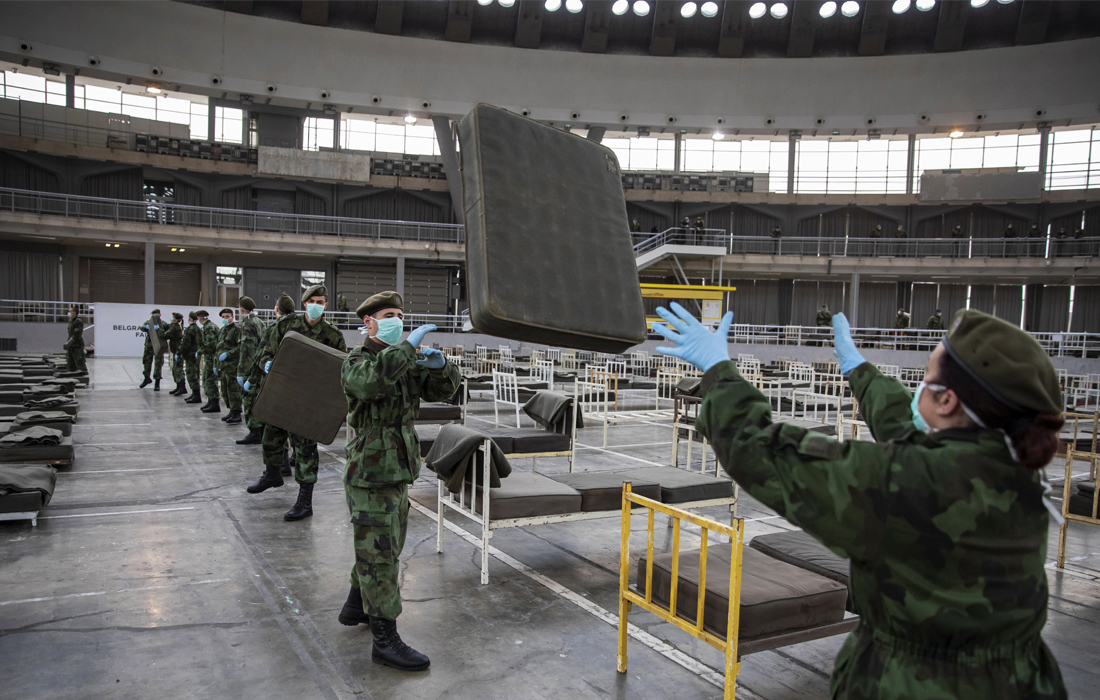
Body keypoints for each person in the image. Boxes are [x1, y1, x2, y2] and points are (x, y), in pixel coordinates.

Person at [652, 303, 1067, 699]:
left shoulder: (903, 483)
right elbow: (911, 428)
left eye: (926, 374)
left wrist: (720, 372)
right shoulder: (1017, 470)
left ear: (947, 401)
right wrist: (859, 371)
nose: (918, 386)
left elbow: (756, 449)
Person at [338, 291, 460, 672]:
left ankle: (356, 605)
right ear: (369, 323)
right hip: (369, 473)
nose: (397, 320)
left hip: (398, 469)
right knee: (380, 555)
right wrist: (406, 348)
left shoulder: (404, 360)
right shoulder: (358, 361)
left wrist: (441, 366)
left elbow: (444, 390)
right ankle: (384, 639)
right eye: (388, 315)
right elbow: (373, 384)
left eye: (400, 315)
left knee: (384, 547)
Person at [246, 284, 347, 522]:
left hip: (310, 401)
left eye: (320, 301)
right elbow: (265, 354)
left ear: (326, 305)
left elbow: (341, 369)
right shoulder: (285, 326)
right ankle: (272, 474)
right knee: (271, 437)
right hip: (282, 394)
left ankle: (305, 501)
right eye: (312, 301)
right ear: (304, 304)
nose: (316, 305)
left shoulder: (333, 335)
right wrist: (266, 365)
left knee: (305, 449)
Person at [235, 296, 267, 443]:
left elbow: (246, 350)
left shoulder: (247, 324)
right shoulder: (259, 322)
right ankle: (260, 430)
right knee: (258, 399)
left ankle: (254, 432)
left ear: (242, 309)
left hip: (250, 368)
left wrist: (242, 373)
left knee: (249, 400)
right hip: (260, 367)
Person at [215, 308, 243, 424]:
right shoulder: (222, 330)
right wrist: (216, 364)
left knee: (233, 390)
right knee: (226, 390)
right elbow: (218, 348)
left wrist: (228, 354)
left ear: (232, 317)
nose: (225, 319)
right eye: (223, 317)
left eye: (227, 316)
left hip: (232, 365)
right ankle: (231, 411)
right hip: (224, 366)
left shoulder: (237, 330)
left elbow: (240, 347)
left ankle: (236, 412)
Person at [139, 309, 168, 391]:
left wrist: (160, 328)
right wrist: (146, 327)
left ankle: (157, 383)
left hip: (158, 347)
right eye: (153, 315)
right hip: (149, 346)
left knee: (158, 364)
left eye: (156, 315)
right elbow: (142, 327)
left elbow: (167, 328)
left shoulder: (163, 323)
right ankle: (147, 378)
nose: (155, 316)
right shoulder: (148, 322)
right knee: (146, 362)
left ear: (160, 315)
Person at [198, 310, 221, 413]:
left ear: (200, 317)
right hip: (210, 358)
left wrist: (200, 351)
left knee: (210, 380)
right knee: (207, 379)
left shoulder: (208, 327)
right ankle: (211, 401)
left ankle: (214, 403)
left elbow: (211, 344)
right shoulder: (211, 325)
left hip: (211, 358)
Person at [181, 312, 204, 404]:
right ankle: (195, 394)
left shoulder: (190, 329)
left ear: (190, 318)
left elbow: (185, 343)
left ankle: (196, 394)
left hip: (190, 355)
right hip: (196, 355)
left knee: (191, 375)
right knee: (196, 374)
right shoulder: (198, 329)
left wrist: (179, 352)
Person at [166, 312, 186, 395]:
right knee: (175, 369)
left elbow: (165, 335)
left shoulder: (175, 327)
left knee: (178, 369)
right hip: (175, 350)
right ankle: (178, 386)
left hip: (178, 350)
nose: (171, 318)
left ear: (176, 319)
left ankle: (182, 387)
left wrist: (158, 331)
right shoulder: (174, 326)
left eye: (173, 317)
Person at [63, 304, 87, 374]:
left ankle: (83, 375)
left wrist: (69, 343)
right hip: (71, 345)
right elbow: (70, 334)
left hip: (77, 345)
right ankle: (72, 375)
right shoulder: (71, 321)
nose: (68, 313)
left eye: (70, 311)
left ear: (74, 312)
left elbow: (77, 334)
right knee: (70, 361)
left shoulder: (78, 321)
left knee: (79, 361)